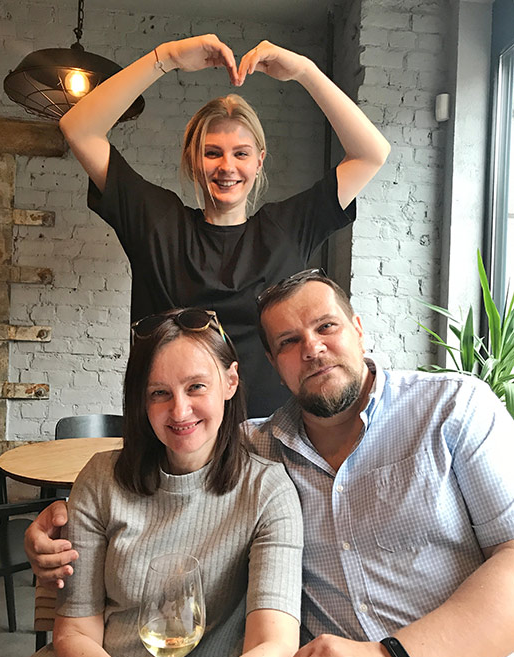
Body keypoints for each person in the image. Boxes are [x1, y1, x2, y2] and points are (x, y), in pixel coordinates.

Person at [27, 270, 514, 657]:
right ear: (274, 365)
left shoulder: (453, 409)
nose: (313, 349)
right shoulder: (259, 447)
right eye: (288, 342)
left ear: (359, 329)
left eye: (327, 326)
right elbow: (182, 456)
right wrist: (58, 520)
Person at [59, 33, 390, 417]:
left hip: (269, 443)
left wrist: (305, 71)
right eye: (212, 153)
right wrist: (164, 57)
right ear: (193, 160)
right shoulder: (159, 223)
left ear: (259, 161)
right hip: (174, 437)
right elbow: (78, 129)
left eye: (241, 154)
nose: (227, 167)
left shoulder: (286, 227)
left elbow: (370, 154)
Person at [1, 308, 302, 657]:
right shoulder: (101, 478)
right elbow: (75, 631)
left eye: (196, 387)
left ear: (230, 381)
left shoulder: (267, 490)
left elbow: (273, 645)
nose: (179, 411)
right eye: (159, 393)